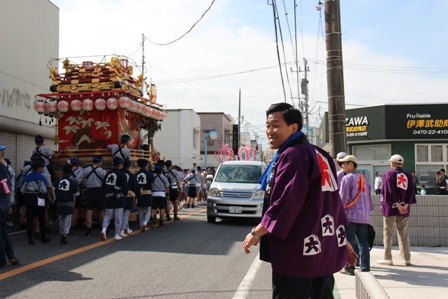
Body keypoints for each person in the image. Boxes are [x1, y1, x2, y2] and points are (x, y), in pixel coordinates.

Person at [242, 103, 357, 299]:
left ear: (293, 128)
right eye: (268, 126)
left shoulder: (293, 155)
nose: (270, 131)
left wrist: (257, 232)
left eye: (275, 125)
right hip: (323, 247)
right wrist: (341, 239)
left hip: (298, 252)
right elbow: (332, 203)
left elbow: (285, 204)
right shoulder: (321, 154)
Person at [337, 155, 374, 274]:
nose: (342, 166)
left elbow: (343, 198)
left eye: (344, 163)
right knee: (363, 242)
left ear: (351, 164)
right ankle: (365, 267)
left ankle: (349, 267)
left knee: (349, 241)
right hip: (364, 216)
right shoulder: (364, 179)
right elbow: (368, 197)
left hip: (350, 215)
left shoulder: (347, 179)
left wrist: (338, 212)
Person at [378, 154, 417, 266]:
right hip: (404, 209)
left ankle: (388, 257)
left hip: (390, 208)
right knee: (404, 234)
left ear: (392, 163)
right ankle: (407, 258)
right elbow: (411, 191)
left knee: (388, 233)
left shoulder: (389, 174)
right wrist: (405, 205)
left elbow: (389, 191)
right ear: (402, 164)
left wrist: (396, 204)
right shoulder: (408, 176)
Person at [20, 160, 51, 245]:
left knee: (30, 219)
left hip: (29, 198)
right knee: (41, 218)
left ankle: (30, 239)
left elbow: (22, 190)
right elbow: (44, 190)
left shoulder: (27, 177)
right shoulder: (41, 177)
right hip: (39, 197)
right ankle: (43, 237)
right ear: (39, 168)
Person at [75, 155, 106, 236]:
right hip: (99, 191)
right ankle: (102, 229)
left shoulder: (87, 169)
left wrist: (82, 188)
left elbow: (78, 180)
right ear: (99, 162)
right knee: (101, 211)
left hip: (89, 191)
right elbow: (106, 182)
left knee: (89, 211)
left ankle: (88, 231)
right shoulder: (102, 171)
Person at [100, 157, 130, 241]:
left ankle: (104, 230)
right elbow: (125, 187)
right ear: (120, 165)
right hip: (119, 197)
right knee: (118, 216)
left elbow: (103, 186)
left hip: (108, 196)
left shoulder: (108, 173)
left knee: (107, 215)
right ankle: (116, 234)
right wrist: (126, 193)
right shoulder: (122, 174)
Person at [0, 145, 20, 267]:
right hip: (5, 201)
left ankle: (2, 260)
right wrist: (9, 203)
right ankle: (11, 255)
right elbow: (9, 188)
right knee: (3, 230)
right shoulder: (6, 168)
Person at [54, 163, 79, 244]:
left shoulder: (57, 182)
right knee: (67, 220)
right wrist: (73, 205)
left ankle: (62, 234)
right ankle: (65, 235)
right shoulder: (72, 182)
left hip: (60, 202)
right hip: (69, 202)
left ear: (62, 172)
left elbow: (55, 193)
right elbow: (75, 195)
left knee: (61, 219)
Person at [120, 159, 139, 237]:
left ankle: (127, 228)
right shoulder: (131, 175)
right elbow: (135, 187)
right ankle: (122, 230)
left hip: (119, 195)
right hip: (129, 195)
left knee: (122, 213)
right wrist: (137, 196)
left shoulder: (119, 173)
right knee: (126, 213)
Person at [136, 159, 154, 232]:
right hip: (147, 192)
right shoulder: (149, 173)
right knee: (148, 209)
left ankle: (141, 225)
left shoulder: (136, 174)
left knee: (140, 210)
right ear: (146, 165)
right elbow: (152, 183)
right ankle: (145, 223)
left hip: (139, 193)